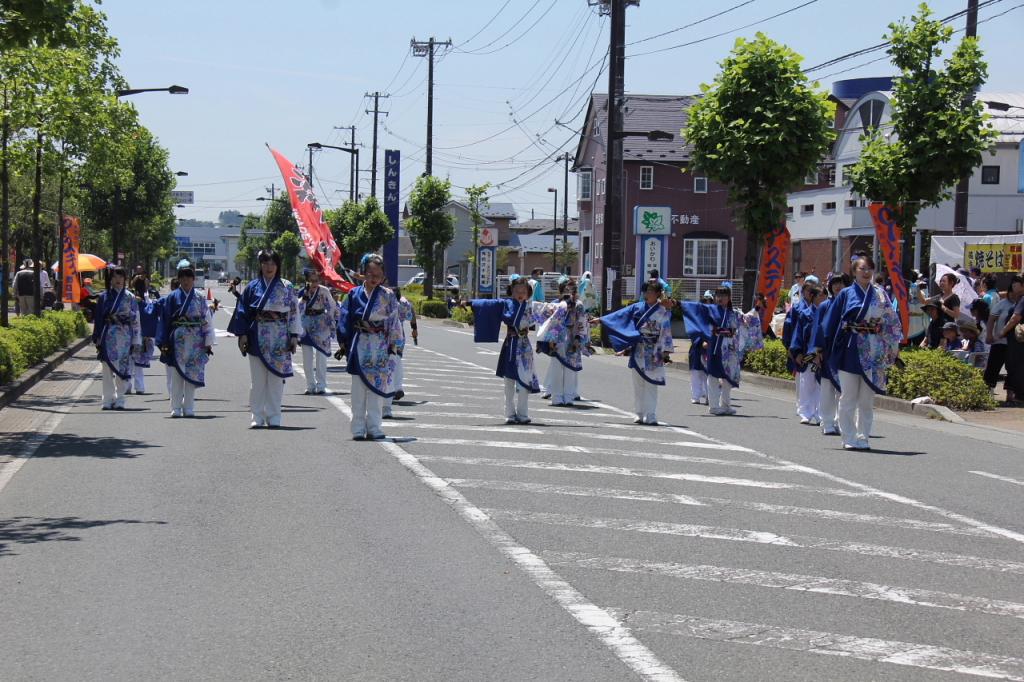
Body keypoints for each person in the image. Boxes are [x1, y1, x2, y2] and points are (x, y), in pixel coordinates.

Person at [814, 256, 902, 451]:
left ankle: (863, 437)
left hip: (873, 349)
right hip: (851, 348)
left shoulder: (880, 294)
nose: (867, 272)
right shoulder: (845, 294)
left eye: (870, 268)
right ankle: (848, 437)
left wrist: (893, 346)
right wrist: (820, 347)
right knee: (848, 396)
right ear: (854, 271)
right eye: (862, 268)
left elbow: (891, 321)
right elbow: (829, 323)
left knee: (867, 400)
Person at [468, 276, 562, 424]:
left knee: (525, 382)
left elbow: (552, 309)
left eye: (523, 291)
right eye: (517, 290)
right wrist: (469, 303)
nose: (520, 293)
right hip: (510, 346)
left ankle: (523, 414)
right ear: (511, 291)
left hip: (524, 348)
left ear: (528, 293)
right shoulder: (505, 304)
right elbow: (487, 304)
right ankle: (509, 414)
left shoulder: (532, 307)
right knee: (509, 384)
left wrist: (565, 304)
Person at [228, 250, 302, 429]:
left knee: (276, 380)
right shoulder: (253, 287)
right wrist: (242, 334)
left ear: (278, 266)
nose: (269, 267)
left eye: (273, 264)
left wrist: (294, 336)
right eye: (265, 263)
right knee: (258, 380)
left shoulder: (287, 286)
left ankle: (275, 416)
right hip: (257, 336)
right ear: (260, 265)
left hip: (280, 338)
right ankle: (257, 416)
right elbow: (242, 311)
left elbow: (294, 312)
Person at [335, 254, 404, 439]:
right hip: (360, 344)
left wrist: (394, 346)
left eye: (378, 275)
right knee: (358, 390)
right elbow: (344, 317)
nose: (374, 278)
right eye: (370, 274)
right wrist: (343, 340)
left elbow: (394, 322)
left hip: (380, 346)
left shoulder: (388, 296)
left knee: (376, 389)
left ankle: (374, 427)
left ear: (383, 276)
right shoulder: (353, 294)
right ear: (363, 274)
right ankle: (357, 428)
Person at [593, 279, 675, 424]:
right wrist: (601, 320)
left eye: (650, 291)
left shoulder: (663, 312)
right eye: (646, 291)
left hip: (654, 349)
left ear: (657, 294)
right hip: (639, 348)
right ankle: (639, 413)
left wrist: (666, 352)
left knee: (651, 383)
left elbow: (666, 331)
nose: (647, 293)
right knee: (638, 384)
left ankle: (651, 414)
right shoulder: (637, 307)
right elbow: (619, 315)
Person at [682, 287, 764, 416]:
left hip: (730, 348)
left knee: (728, 377)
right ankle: (714, 406)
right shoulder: (710, 311)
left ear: (729, 298)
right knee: (713, 375)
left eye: (724, 295)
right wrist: (677, 304)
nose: (720, 298)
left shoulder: (734, 313)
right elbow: (696, 313)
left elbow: (748, 320)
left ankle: (725, 405)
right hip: (715, 346)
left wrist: (757, 308)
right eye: (718, 295)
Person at [155, 263, 214, 417]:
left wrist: (208, 342)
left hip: (196, 341)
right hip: (177, 341)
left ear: (194, 279)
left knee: (191, 375)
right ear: (179, 280)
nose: (186, 280)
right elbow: (165, 320)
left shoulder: (200, 298)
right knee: (176, 375)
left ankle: (189, 407)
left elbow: (207, 319)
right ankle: (175, 407)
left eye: (189, 277)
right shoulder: (172, 297)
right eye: (183, 277)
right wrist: (163, 342)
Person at [91, 266, 141, 410]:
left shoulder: (130, 297)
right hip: (108, 335)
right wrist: (97, 337)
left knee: (123, 368)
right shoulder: (103, 297)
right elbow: (99, 318)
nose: (118, 280)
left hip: (125, 336)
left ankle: (120, 398)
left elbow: (136, 320)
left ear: (125, 279)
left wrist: (136, 340)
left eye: (121, 277)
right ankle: (107, 399)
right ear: (110, 280)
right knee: (106, 369)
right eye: (114, 277)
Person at [536, 276, 590, 407]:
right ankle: (557, 396)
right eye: (567, 291)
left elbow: (582, 322)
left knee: (570, 370)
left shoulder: (579, 306)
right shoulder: (559, 305)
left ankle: (568, 396)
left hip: (573, 338)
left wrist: (578, 338)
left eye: (572, 291)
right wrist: (551, 340)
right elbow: (553, 323)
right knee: (557, 368)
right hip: (559, 338)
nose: (570, 294)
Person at [813, 273, 850, 435]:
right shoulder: (824, 306)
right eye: (834, 283)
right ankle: (827, 421)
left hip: (846, 352)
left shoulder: (852, 305)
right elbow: (817, 330)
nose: (837, 286)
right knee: (827, 388)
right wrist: (817, 351)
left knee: (845, 391)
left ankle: (841, 421)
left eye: (841, 283)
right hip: (828, 353)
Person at [298, 268, 339, 395]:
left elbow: (332, 306)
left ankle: (321, 385)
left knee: (321, 356)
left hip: (321, 325)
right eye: (311, 281)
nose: (314, 283)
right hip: (306, 325)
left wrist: (332, 322)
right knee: (307, 358)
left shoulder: (324, 291)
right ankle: (310, 385)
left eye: (316, 280)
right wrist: (303, 299)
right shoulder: (302, 292)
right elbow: (297, 310)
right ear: (307, 281)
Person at [790, 281, 824, 425]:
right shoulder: (805, 314)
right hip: (807, 354)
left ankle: (819, 413)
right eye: (820, 296)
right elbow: (798, 334)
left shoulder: (827, 314)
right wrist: (796, 352)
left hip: (822, 355)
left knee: (820, 385)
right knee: (806, 383)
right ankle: (805, 412)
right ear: (813, 297)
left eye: (824, 296)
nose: (823, 299)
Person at [382, 286, 417, 418]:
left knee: (393, 362)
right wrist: (414, 328)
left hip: (389, 335)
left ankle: (396, 388)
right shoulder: (403, 302)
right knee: (396, 360)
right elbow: (412, 312)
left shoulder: (385, 302)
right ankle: (397, 387)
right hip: (399, 335)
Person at [127, 274, 159, 395]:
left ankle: (127, 385)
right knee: (138, 361)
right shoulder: (148, 299)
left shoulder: (128, 297)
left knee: (129, 359)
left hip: (129, 332)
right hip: (142, 333)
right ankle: (139, 386)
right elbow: (150, 315)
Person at [995, 274, 1024, 404]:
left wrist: (1002, 331)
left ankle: (1019, 397)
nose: (1013, 285)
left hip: (1018, 341)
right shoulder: (1018, 299)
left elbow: (1015, 318)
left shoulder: (1022, 299)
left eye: (1016, 283)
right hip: (1017, 341)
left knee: (1016, 367)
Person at [984, 283, 1015, 393]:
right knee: (992, 368)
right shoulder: (1002, 304)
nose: (1013, 295)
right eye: (1011, 292)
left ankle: (1010, 395)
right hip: (999, 341)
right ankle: (987, 393)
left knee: (1013, 369)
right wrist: (989, 335)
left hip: (1015, 343)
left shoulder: (1021, 304)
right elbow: (991, 320)